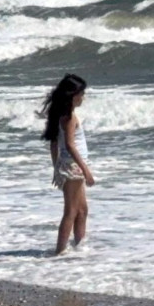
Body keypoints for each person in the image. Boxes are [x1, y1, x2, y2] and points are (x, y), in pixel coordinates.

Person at [40, 73, 93, 255]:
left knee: (82, 210)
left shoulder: (60, 115)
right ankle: (60, 251)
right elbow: (70, 145)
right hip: (74, 167)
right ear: (72, 95)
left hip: (68, 166)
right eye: (81, 93)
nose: (83, 97)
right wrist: (86, 171)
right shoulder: (69, 117)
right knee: (71, 211)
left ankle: (79, 247)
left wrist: (56, 168)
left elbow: (54, 144)